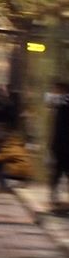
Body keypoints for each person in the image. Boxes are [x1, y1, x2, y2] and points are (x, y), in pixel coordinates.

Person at [48, 82, 69, 210]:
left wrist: (53, 145)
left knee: (57, 172)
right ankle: (54, 196)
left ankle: (54, 196)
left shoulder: (63, 105)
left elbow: (59, 128)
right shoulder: (62, 104)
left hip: (62, 147)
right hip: (62, 146)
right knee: (61, 172)